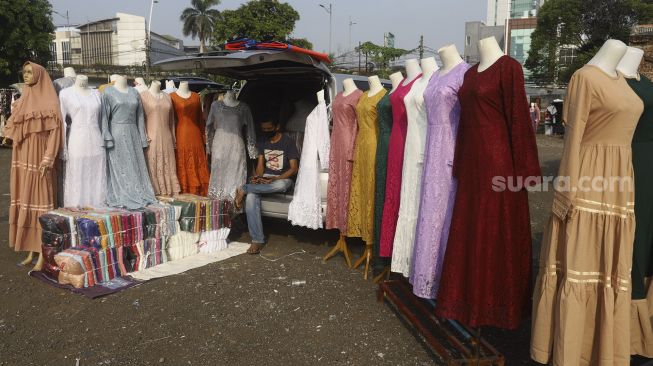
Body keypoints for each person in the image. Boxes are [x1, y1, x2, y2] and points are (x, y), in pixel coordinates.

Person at [235, 118, 299, 254]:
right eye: (263, 129)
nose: (266, 132)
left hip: (283, 178)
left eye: (269, 129)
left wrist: (277, 178)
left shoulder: (288, 142)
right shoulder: (262, 142)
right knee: (252, 197)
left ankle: (245, 188)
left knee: (281, 185)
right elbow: (260, 167)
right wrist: (259, 177)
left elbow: (294, 168)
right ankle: (257, 240)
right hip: (266, 179)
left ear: (277, 127)